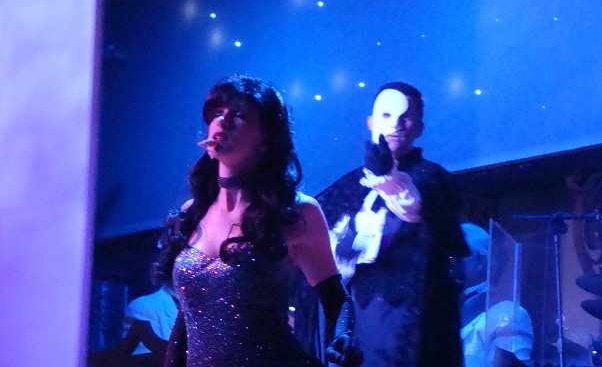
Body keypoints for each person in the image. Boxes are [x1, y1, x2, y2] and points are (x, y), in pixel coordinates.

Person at [155, 74, 360, 367]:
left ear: (266, 140)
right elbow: (187, 320)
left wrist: (341, 338)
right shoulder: (192, 213)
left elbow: (335, 299)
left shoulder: (296, 212)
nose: (223, 121)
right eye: (218, 113)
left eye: (238, 115)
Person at [313, 82, 470, 367]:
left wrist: (387, 178)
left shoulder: (432, 179)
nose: (396, 124)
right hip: (353, 322)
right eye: (387, 115)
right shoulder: (347, 186)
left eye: (406, 116)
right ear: (371, 121)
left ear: (418, 127)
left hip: (406, 324)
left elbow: (414, 206)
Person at [458, 222, 534, 367]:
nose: (450, 264)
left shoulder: (507, 314)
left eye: (457, 256)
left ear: (481, 261)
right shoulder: (439, 313)